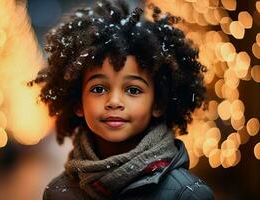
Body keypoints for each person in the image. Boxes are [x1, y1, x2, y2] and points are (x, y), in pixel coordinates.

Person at [29, 0, 214, 199]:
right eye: (98, 88)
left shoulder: (187, 195)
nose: (114, 101)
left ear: (158, 103)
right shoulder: (57, 193)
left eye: (133, 90)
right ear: (78, 103)